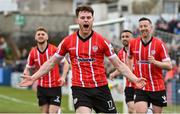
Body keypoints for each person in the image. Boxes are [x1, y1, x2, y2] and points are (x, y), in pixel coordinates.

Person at [19, 5, 146, 114]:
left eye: (88, 18)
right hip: (80, 89)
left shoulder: (102, 41)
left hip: (101, 88)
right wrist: (33, 77)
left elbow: (119, 64)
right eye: (83, 18)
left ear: (92, 20)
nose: (86, 20)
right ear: (77, 20)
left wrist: (135, 79)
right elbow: (51, 62)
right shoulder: (68, 41)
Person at [128, 17, 172, 113]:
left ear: (151, 27)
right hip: (141, 86)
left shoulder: (159, 44)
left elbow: (169, 66)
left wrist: (155, 62)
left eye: (145, 26)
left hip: (157, 86)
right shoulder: (133, 43)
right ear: (138, 28)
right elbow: (129, 58)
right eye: (141, 26)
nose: (143, 28)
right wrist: (131, 72)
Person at [22, 26, 69, 114]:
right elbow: (28, 67)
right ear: (35, 37)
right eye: (38, 34)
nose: (40, 36)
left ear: (47, 37)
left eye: (43, 34)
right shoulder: (33, 52)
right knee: (44, 112)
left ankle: (56, 111)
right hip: (41, 88)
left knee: (51, 112)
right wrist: (26, 73)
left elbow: (65, 63)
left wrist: (63, 77)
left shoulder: (54, 49)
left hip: (55, 86)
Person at [110, 30, 135, 113]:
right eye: (123, 37)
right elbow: (121, 68)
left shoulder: (138, 50)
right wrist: (114, 74)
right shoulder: (120, 53)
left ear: (132, 38)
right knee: (131, 110)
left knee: (139, 109)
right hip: (129, 85)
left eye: (127, 36)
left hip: (140, 85)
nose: (124, 38)